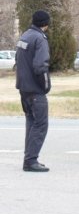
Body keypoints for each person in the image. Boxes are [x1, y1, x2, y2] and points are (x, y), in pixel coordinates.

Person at [15, 10, 51, 172]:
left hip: (23, 88)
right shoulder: (39, 39)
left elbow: (18, 61)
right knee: (41, 124)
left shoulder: (25, 35)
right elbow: (40, 66)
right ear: (46, 24)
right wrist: (45, 86)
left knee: (31, 122)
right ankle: (30, 160)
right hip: (35, 90)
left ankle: (28, 156)